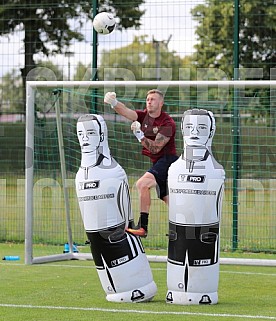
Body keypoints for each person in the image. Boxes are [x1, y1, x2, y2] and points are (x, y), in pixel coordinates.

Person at [104, 89, 178, 237]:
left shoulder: (167, 123)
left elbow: (156, 148)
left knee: (142, 184)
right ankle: (185, 226)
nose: (149, 101)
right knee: (168, 198)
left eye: (153, 99)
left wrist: (139, 135)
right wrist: (113, 102)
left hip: (167, 160)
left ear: (161, 103)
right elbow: (125, 111)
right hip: (158, 162)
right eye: (148, 99)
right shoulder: (143, 116)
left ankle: (142, 227)